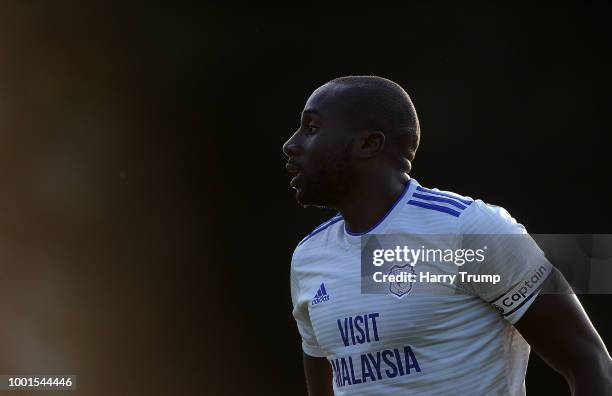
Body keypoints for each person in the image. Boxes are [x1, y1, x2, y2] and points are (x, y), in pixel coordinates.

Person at [282, 76, 612, 395]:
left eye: (312, 127)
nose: (291, 144)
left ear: (369, 144)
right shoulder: (309, 257)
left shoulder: (468, 230)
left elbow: (591, 365)